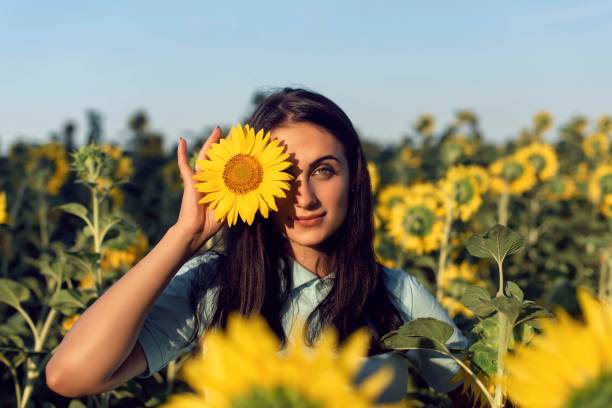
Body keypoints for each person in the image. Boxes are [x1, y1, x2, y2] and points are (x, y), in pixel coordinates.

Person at [45, 88, 470, 405]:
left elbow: (486, 396)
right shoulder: (215, 285)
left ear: (354, 177)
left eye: (324, 170)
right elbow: (70, 376)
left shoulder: (395, 294)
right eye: (285, 175)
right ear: (257, 183)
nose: (304, 197)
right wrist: (184, 237)